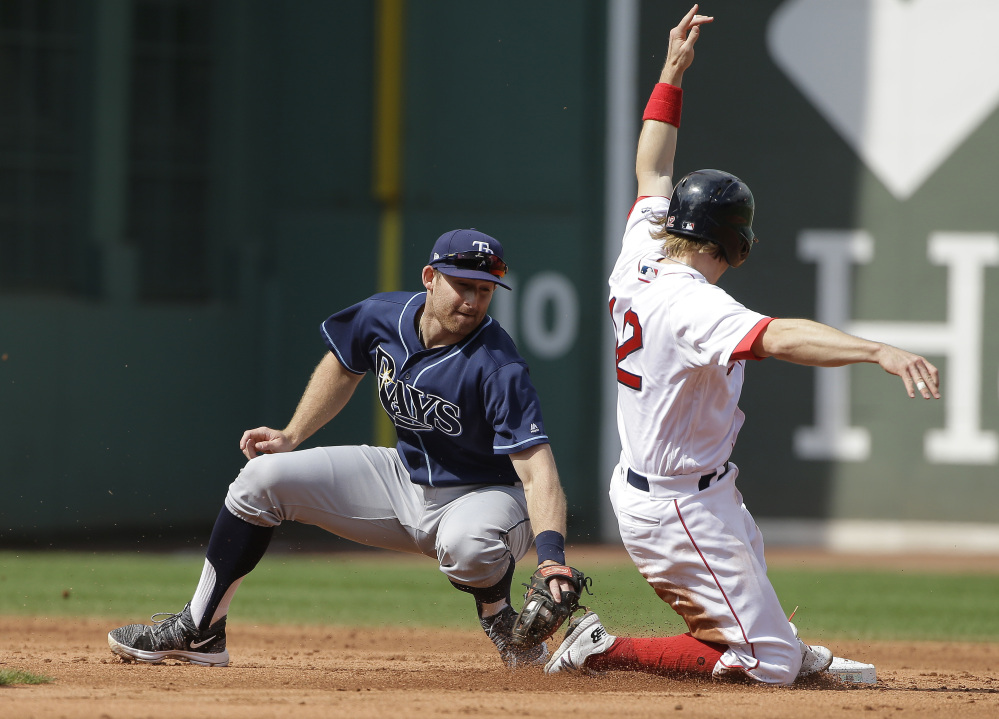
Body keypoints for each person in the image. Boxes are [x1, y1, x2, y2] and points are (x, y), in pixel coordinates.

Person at [544, 5, 940, 686]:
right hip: (674, 501)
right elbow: (779, 335)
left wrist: (671, 73)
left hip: (694, 487)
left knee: (756, 629)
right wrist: (874, 350)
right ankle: (598, 649)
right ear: (733, 242)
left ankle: (776, 638)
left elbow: (651, 168)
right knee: (767, 664)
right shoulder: (693, 303)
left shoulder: (640, 250)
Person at [107, 228, 576, 669]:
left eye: (485, 290)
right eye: (463, 285)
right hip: (401, 478)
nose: (473, 301)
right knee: (260, 480)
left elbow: (539, 473)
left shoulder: (498, 366)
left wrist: (551, 557)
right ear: (430, 279)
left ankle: (498, 618)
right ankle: (200, 630)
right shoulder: (384, 315)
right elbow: (343, 366)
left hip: (485, 497)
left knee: (467, 545)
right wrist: (292, 435)